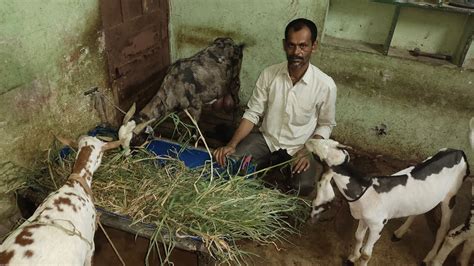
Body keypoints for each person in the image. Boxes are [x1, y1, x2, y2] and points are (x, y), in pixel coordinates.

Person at [213, 18, 337, 196]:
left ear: (313, 46)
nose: (297, 52)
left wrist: (308, 151)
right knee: (232, 163)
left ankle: (282, 169)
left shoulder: (325, 85)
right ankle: (264, 164)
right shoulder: (269, 74)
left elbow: (326, 124)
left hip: (300, 146)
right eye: (291, 45)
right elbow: (253, 113)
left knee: (303, 186)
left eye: (303, 46)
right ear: (284, 45)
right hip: (267, 139)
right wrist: (232, 144)